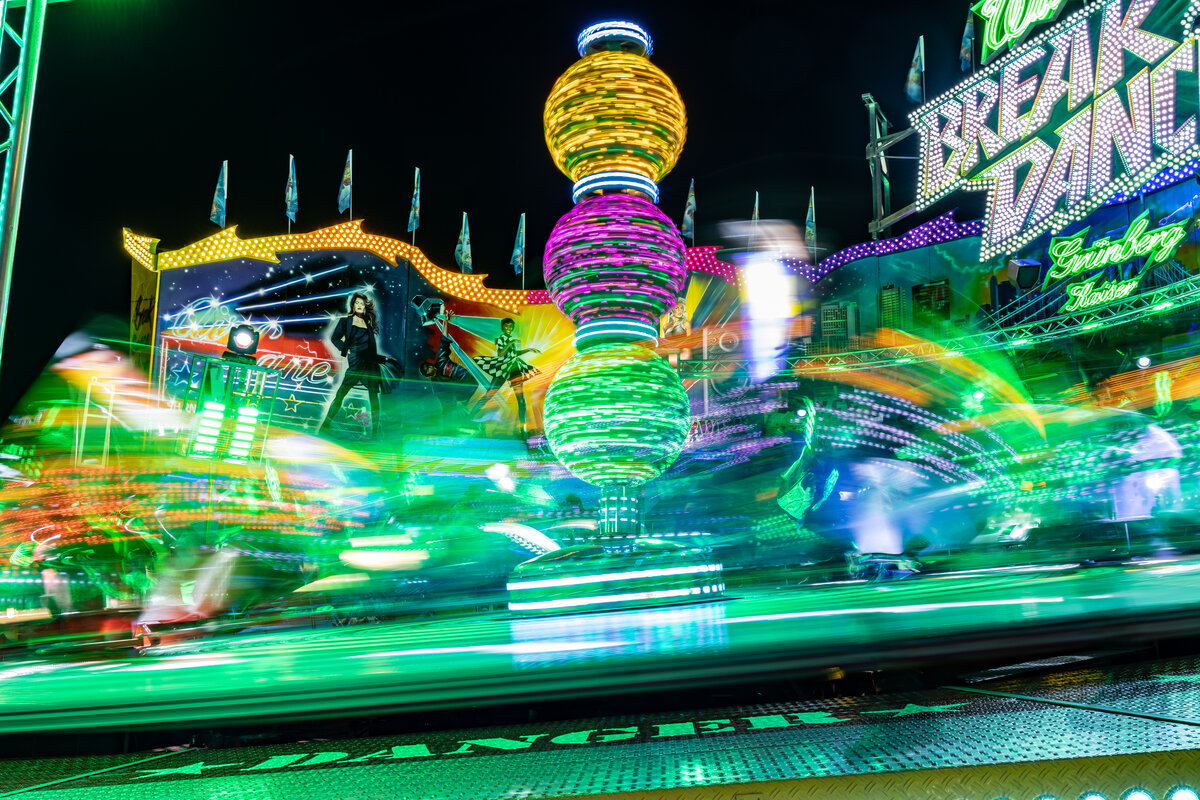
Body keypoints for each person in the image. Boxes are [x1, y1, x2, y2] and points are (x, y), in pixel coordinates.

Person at [320, 293, 384, 437]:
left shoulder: (368, 322)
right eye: (357, 303)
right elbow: (334, 338)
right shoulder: (346, 321)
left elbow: (370, 349)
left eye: (362, 303)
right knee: (340, 395)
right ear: (353, 305)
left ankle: (374, 433)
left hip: (370, 365)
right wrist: (346, 350)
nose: (360, 305)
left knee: (374, 398)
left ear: (365, 306)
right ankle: (325, 426)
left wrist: (384, 359)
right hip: (355, 364)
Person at [468, 318, 540, 436]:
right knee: (490, 394)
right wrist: (511, 343)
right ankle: (470, 417)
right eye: (506, 326)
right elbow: (501, 354)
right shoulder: (500, 339)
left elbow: (513, 354)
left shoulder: (510, 339)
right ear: (502, 328)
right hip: (503, 368)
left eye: (511, 326)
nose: (509, 328)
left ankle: (522, 429)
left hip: (514, 369)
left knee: (521, 400)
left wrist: (529, 350)